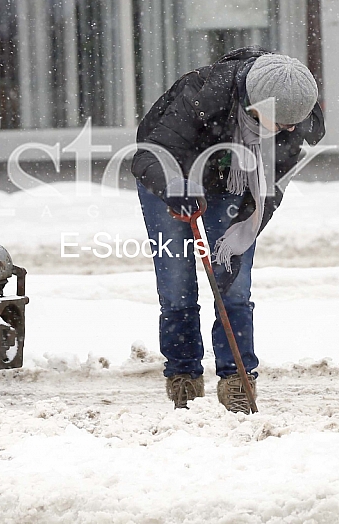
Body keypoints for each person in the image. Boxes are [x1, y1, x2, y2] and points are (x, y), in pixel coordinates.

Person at [131, 46, 325, 412]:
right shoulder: (205, 94)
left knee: (234, 285)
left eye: (292, 124)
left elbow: (268, 190)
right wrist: (175, 189)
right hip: (170, 179)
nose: (288, 131)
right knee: (177, 285)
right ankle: (183, 375)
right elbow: (151, 153)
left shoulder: (296, 116)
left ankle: (237, 378)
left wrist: (239, 236)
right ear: (256, 106)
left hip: (236, 187)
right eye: (281, 123)